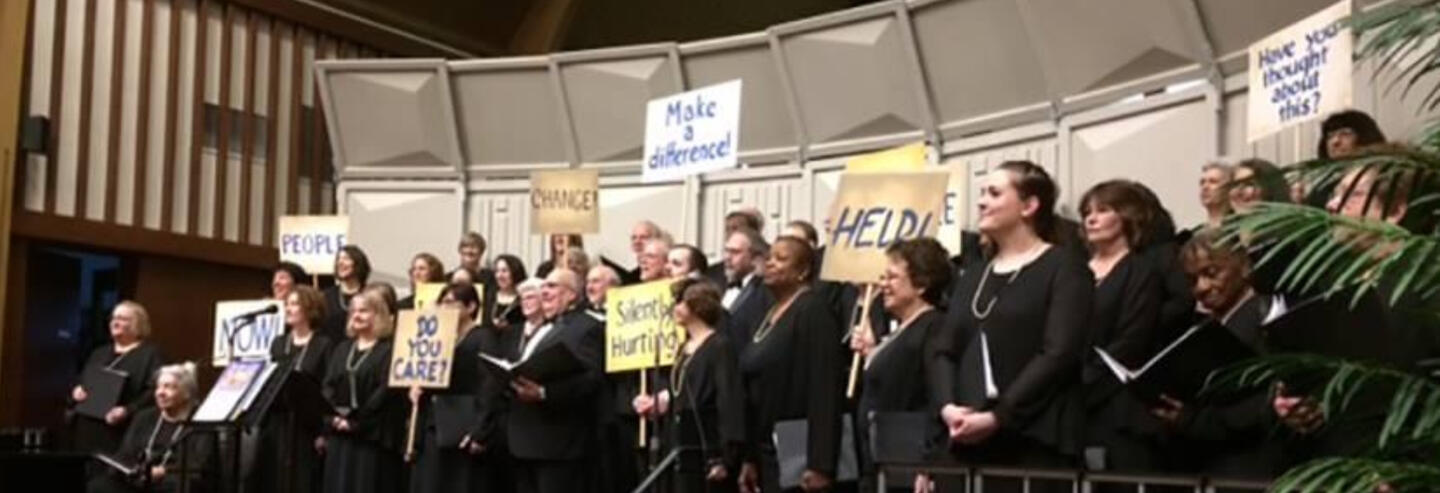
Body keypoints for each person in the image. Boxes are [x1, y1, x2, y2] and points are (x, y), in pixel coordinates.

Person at [923, 161, 1093, 493]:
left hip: (1033, 442)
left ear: (1029, 206)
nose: (981, 201)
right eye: (982, 193)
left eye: (994, 193)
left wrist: (999, 416)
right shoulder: (974, 274)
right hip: (964, 440)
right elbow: (944, 349)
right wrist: (948, 408)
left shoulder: (1064, 267)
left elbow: (1058, 353)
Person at [1149, 229, 1282, 484]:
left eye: (1211, 273)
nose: (1201, 287)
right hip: (1211, 464)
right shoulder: (1203, 326)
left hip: (1253, 466)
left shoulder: (1268, 317)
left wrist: (1194, 420)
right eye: (1192, 280)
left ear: (1244, 267)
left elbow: (1266, 404)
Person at [737, 236, 844, 493]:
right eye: (769, 258)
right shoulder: (770, 313)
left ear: (803, 271)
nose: (770, 264)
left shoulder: (813, 311)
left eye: (781, 259)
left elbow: (825, 388)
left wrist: (820, 464)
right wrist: (749, 457)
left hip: (798, 451)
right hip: (766, 449)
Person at [846, 238, 951, 493]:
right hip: (881, 462)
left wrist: (929, 464)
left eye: (892, 277)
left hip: (906, 467)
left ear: (921, 284)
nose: (883, 285)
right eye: (883, 277)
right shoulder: (903, 329)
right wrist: (872, 352)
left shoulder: (933, 327)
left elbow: (936, 396)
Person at [1076, 180, 1164, 476]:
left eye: (1103, 210)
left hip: (1116, 405)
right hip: (1070, 407)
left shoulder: (1141, 270)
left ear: (1127, 216)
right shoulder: (1073, 270)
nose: (1091, 219)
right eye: (1087, 212)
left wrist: (1083, 384)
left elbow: (1131, 340)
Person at [634, 279, 745, 493]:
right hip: (680, 444)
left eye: (680, 302)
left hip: (706, 446)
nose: (674, 308)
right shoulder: (684, 348)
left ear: (698, 305)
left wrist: (724, 456)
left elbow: (728, 400)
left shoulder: (719, 346)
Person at [506, 269, 605, 493]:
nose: (544, 292)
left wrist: (544, 393)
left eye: (551, 286)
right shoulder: (542, 327)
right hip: (525, 440)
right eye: (543, 287)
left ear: (571, 294)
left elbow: (591, 379)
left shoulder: (586, 327)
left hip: (559, 442)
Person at [251, 285, 335, 493]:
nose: (288, 309)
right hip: (277, 423)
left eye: (295, 304)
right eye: (287, 304)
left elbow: (327, 387)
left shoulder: (323, 344)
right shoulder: (279, 343)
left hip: (306, 426)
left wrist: (324, 431)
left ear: (310, 309)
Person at [409, 283, 492, 493]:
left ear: (471, 306)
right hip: (434, 422)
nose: (444, 308)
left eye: (449, 302)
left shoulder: (483, 337)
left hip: (462, 423)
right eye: (441, 303)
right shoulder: (439, 339)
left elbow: (488, 386)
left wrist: (479, 430)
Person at [86, 362, 216, 493]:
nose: (160, 392)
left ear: (186, 393)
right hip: (138, 480)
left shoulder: (200, 422)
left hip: (173, 482)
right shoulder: (144, 417)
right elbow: (125, 454)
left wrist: (164, 472)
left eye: (168, 387)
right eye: (158, 387)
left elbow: (199, 466)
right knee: (99, 486)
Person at [320, 290, 403, 493]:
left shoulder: (389, 350)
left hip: (371, 437)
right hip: (340, 435)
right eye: (353, 311)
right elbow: (328, 385)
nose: (356, 315)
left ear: (379, 315)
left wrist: (356, 421)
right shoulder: (342, 348)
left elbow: (385, 391)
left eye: (363, 311)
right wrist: (334, 418)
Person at [71, 301, 166, 467]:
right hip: (88, 429)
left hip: (123, 431)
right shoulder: (99, 353)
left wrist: (128, 410)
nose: (115, 322)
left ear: (138, 324)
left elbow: (155, 392)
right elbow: (82, 381)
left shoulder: (151, 354)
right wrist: (77, 390)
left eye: (122, 319)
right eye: (113, 318)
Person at [719, 228, 773, 356]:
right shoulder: (718, 285)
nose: (727, 257)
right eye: (726, 251)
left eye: (735, 252)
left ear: (755, 258)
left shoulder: (764, 291)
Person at [321, 245, 372, 342]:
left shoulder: (371, 294)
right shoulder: (325, 296)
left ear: (358, 263)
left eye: (346, 258)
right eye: (338, 259)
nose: (340, 262)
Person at [706, 210, 767, 283]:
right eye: (727, 229)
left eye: (735, 228)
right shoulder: (713, 273)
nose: (730, 233)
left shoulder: (768, 267)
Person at [493, 254, 529, 329]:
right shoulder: (489, 296)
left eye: (504, 271)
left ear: (515, 272)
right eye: (497, 271)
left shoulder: (524, 300)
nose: (499, 275)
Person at [1195, 163, 1233, 233]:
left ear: (1228, 188)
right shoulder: (1196, 233)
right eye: (1202, 182)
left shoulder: (1238, 229)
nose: (1205, 187)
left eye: (1213, 182)